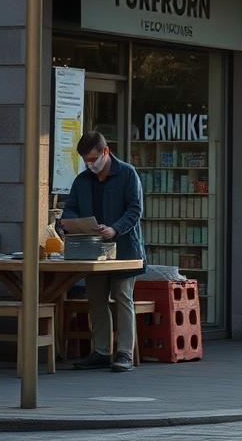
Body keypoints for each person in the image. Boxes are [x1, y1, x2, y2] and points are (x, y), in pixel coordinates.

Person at [61, 130, 147, 372]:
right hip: (92, 251)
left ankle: (124, 353)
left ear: (105, 151)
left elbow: (135, 209)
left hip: (125, 249)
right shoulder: (82, 180)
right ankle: (100, 351)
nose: (90, 165)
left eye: (93, 159)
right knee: (96, 299)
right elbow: (70, 209)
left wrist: (115, 229)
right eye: (86, 161)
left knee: (122, 297)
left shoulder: (127, 173)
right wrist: (68, 223)